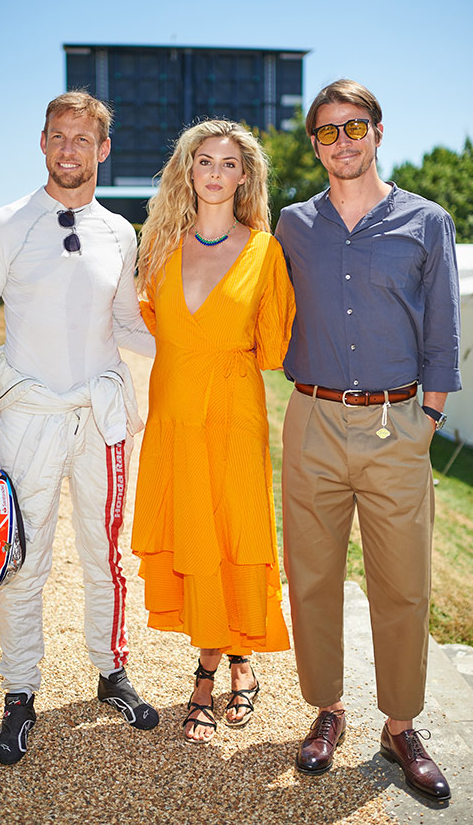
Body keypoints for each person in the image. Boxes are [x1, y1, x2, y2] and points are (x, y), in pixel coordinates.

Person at [0, 91, 159, 765]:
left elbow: (128, 323)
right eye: (58, 137)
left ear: (103, 149)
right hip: (29, 418)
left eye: (83, 139)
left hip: (101, 418)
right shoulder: (7, 222)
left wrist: (200, 341)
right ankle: (18, 694)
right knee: (22, 563)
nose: (70, 149)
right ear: (42, 143)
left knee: (105, 557)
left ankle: (111, 671)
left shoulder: (120, 232)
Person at [275, 80, 461, 801]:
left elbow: (443, 330)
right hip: (313, 421)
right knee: (313, 576)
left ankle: (401, 724)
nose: (343, 142)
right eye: (328, 132)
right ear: (316, 144)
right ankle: (327, 710)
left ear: (379, 132)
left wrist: (429, 420)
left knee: (403, 583)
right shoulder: (293, 224)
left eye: (355, 128)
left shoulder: (427, 220)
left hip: (399, 425)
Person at [131, 119, 296, 744]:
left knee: (234, 534)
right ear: (188, 171)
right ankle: (215, 661)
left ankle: (233, 666)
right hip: (174, 420)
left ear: (246, 175)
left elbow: (277, 344)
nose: (217, 173)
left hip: (232, 419)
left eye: (231, 164)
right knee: (195, 537)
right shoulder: (161, 247)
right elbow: (144, 324)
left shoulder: (265, 251)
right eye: (206, 162)